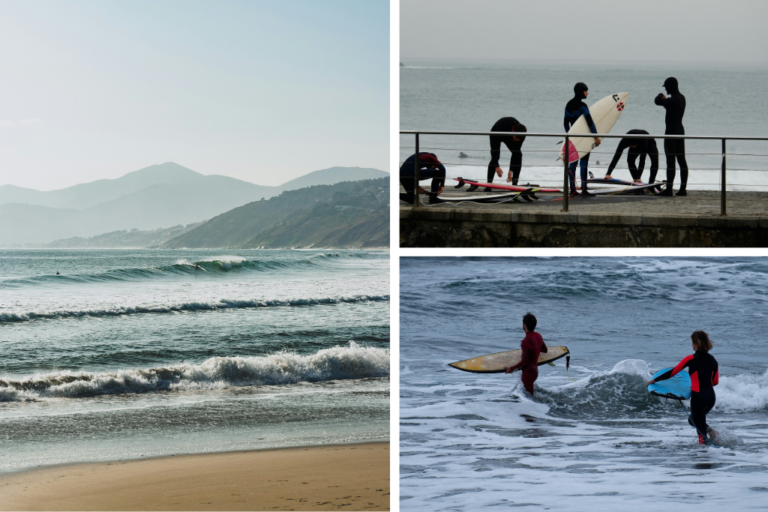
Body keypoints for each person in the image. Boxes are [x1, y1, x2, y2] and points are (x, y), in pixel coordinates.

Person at [647, 331, 719, 444]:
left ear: (695, 344)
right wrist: (702, 383)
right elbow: (715, 381)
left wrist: (654, 380)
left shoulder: (690, 358)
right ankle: (712, 432)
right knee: (693, 420)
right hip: (711, 398)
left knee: (700, 433)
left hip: (698, 398)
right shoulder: (713, 360)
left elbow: (673, 372)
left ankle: (704, 457)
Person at [564, 82, 601, 197]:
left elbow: (565, 123)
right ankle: (584, 190)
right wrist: (596, 136)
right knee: (584, 164)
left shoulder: (568, 105)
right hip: (583, 139)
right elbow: (590, 122)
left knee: (572, 164)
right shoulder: (583, 106)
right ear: (581, 92)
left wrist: (569, 136)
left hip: (573, 140)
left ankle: (573, 190)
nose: (587, 93)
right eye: (586, 91)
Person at [655, 77, 689, 196]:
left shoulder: (672, 100)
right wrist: (666, 100)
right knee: (681, 160)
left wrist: (661, 95)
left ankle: (669, 189)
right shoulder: (682, 98)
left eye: (666, 86)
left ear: (670, 86)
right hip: (680, 130)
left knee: (670, 161)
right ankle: (683, 189)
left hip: (670, 132)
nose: (665, 89)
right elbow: (670, 107)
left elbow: (657, 101)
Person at [504, 312, 548, 395]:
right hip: (535, 372)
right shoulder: (538, 335)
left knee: (528, 401)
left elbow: (524, 362)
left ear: (524, 325)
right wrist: (533, 352)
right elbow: (544, 350)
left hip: (528, 374)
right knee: (528, 397)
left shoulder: (525, 341)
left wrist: (511, 369)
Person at [478, 117, 527, 192]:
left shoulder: (520, 135)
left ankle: (514, 184)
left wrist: (511, 170)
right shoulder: (503, 128)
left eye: (519, 139)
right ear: (513, 131)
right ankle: (489, 185)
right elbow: (494, 150)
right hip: (496, 132)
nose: (518, 140)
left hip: (509, 135)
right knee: (495, 157)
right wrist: (496, 166)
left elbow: (515, 153)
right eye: (517, 138)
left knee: (519, 154)